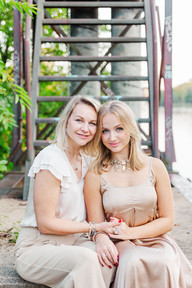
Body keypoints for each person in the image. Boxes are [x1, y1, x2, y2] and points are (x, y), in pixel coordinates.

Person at [84, 100, 192, 288]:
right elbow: (97, 225)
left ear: (131, 129)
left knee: (165, 261)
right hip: (118, 241)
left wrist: (132, 232)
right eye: (105, 131)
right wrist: (104, 237)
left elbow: (167, 220)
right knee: (133, 259)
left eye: (119, 129)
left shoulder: (155, 166)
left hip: (157, 238)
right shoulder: (95, 173)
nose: (112, 137)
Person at [14, 96, 120, 288]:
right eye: (79, 120)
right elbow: (46, 224)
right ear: (66, 121)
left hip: (74, 242)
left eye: (92, 123)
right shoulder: (51, 160)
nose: (85, 128)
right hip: (38, 246)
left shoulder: (87, 160)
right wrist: (95, 228)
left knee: (107, 258)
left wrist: (102, 235)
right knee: (87, 260)